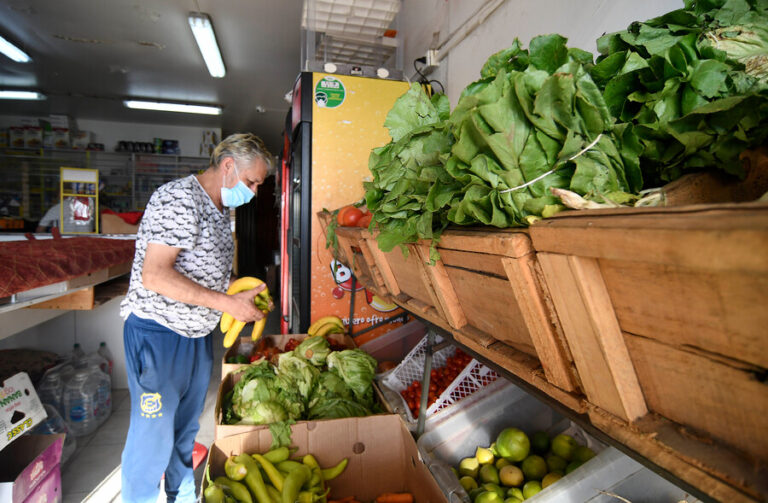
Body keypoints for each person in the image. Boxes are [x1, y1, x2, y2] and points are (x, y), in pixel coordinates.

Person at [119, 133, 273, 502]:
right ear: (227, 166)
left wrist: (237, 290)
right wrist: (224, 303)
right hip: (159, 332)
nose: (253, 191)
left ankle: (181, 496)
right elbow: (155, 274)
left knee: (185, 430)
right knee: (152, 436)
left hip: (196, 334)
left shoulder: (220, 209)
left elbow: (210, 275)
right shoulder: (179, 200)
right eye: (251, 181)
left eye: (259, 185)